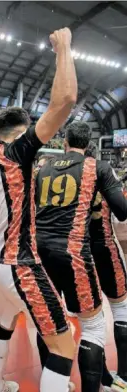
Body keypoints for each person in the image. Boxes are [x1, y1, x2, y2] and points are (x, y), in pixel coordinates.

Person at [0, 27, 78, 392]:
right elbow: (64, 99)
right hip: (18, 264)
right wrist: (63, 47)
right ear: (20, 135)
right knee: (63, 344)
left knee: (5, 320)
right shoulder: (18, 153)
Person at [35, 123, 127, 392]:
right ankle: (116, 378)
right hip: (77, 249)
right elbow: (122, 211)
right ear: (88, 145)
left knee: (49, 321)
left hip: (41, 252)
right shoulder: (97, 168)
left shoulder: (43, 167)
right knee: (95, 324)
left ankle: (55, 381)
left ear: (64, 141)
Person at [86, 141, 127, 392]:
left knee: (91, 320)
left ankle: (102, 377)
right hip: (105, 246)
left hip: (77, 251)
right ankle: (123, 376)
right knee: (121, 308)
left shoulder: (63, 173)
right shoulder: (103, 170)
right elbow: (122, 212)